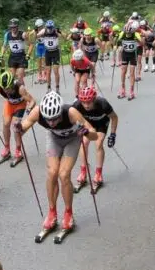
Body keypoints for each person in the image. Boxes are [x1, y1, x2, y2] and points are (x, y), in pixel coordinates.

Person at [17, 91, 99, 235]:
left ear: (60, 112)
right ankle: (52, 211)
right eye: (48, 119)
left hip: (72, 140)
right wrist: (18, 128)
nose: (51, 122)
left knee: (64, 174)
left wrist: (85, 132)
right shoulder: (38, 112)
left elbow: (94, 135)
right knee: (52, 172)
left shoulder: (72, 112)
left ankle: (68, 212)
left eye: (55, 118)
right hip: (54, 139)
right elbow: (24, 126)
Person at [0, 70, 36, 166]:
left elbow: (32, 101)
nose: (6, 91)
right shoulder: (0, 87)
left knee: (16, 126)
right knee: (6, 123)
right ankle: (7, 149)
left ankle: (18, 151)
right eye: (5, 88)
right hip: (9, 104)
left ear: (12, 83)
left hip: (20, 105)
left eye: (8, 88)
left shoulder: (20, 88)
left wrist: (29, 109)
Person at [71, 86, 118, 191]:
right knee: (84, 142)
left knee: (98, 143)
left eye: (89, 102)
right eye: (84, 102)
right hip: (88, 124)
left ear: (94, 99)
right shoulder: (77, 105)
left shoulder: (103, 103)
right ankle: (83, 173)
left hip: (101, 122)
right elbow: (71, 118)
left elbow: (114, 118)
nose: (86, 105)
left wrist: (113, 134)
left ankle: (98, 174)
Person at [36, 20, 64, 91]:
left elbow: (64, 38)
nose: (50, 28)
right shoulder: (44, 31)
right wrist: (35, 31)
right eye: (48, 27)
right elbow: (35, 37)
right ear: (46, 27)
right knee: (48, 72)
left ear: (53, 27)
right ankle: (48, 88)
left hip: (55, 52)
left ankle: (57, 88)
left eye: (51, 27)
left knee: (56, 71)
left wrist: (60, 32)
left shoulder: (55, 31)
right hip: (48, 52)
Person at [115, 23, 141, 100]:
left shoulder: (135, 34)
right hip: (125, 54)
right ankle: (123, 89)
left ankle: (131, 91)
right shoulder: (122, 34)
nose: (128, 34)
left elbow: (142, 43)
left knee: (132, 72)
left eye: (129, 33)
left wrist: (138, 41)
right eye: (127, 33)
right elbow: (118, 43)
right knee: (123, 71)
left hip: (133, 55)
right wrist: (118, 47)